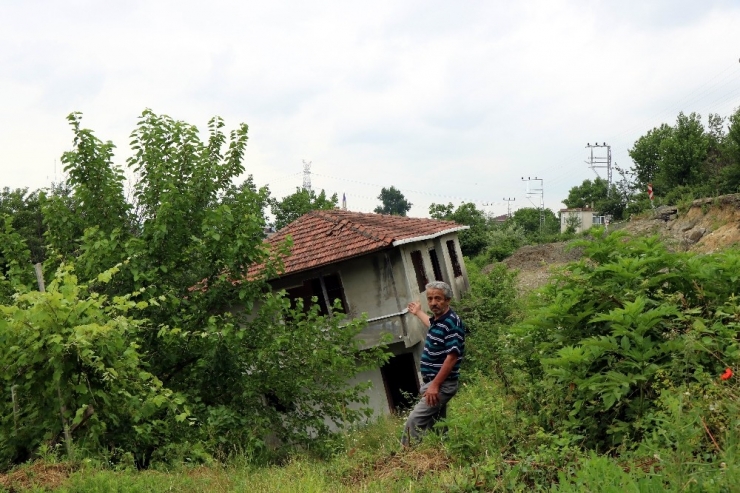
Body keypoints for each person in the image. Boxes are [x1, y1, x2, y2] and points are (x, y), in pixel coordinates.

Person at [401, 281, 466, 446]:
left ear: (448, 300)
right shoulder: (439, 321)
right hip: (432, 383)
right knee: (437, 425)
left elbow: (452, 357)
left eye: (438, 298)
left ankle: (405, 458)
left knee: (414, 420)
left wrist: (435, 386)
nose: (433, 303)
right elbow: (432, 325)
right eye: (430, 299)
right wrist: (418, 312)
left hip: (442, 384)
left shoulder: (452, 323)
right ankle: (445, 453)